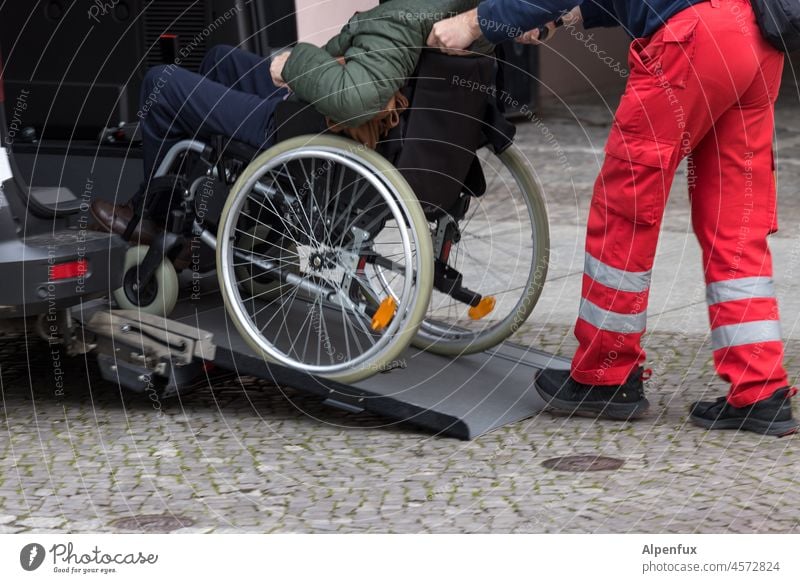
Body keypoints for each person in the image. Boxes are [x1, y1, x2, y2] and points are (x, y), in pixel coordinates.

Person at [430, 0, 798, 436]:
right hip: (756, 41)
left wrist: (473, 22)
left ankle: (606, 376)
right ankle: (761, 389)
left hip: (694, 37)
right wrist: (567, 16)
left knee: (626, 205)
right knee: (734, 222)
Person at [91, 0, 490, 242]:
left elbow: (357, 100)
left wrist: (297, 60)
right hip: (323, 123)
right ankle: (207, 215)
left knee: (160, 84)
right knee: (220, 59)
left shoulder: (401, 19)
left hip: (304, 134)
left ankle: (152, 219)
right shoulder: (456, 16)